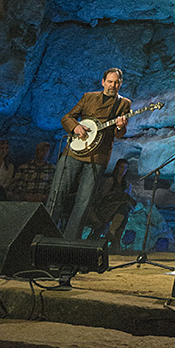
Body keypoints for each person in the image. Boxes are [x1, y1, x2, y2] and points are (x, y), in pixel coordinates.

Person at [46, 68, 131, 239]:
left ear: (120, 84)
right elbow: (67, 117)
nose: (113, 85)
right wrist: (75, 126)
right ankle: (45, 235)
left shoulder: (124, 103)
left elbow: (119, 134)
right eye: (110, 81)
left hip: (98, 156)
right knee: (57, 194)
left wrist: (120, 126)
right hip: (73, 151)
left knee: (84, 202)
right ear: (103, 82)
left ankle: (70, 241)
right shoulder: (89, 97)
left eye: (116, 82)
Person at [87, 158, 135, 248]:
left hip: (119, 209)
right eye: (121, 167)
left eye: (125, 168)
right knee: (124, 209)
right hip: (107, 208)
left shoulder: (127, 184)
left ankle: (113, 235)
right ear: (117, 167)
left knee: (125, 209)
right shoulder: (110, 180)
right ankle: (113, 238)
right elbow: (103, 197)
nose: (123, 170)